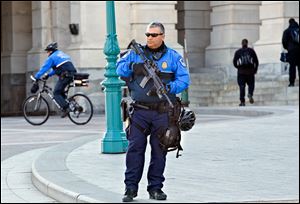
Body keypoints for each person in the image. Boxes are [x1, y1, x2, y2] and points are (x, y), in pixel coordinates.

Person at [116, 21, 190, 202]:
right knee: (135, 150)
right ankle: (130, 188)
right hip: (139, 112)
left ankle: (155, 188)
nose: (149, 38)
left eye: (153, 35)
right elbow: (118, 68)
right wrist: (135, 67)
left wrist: (168, 87)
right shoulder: (135, 53)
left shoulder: (173, 57)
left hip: (163, 113)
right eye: (147, 34)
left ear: (162, 36)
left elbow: (184, 80)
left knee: (159, 151)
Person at [33, 42, 77, 117]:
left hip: (65, 75)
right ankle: (72, 105)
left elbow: (44, 68)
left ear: (51, 51)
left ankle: (66, 108)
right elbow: (58, 68)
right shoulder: (61, 54)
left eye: (48, 51)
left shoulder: (52, 57)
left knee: (56, 93)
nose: (47, 53)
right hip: (71, 74)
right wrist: (48, 75)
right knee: (61, 92)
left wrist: (36, 77)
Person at [233, 39, 259, 106]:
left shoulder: (238, 52)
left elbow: (234, 62)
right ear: (247, 43)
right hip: (250, 71)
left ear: (241, 44)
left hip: (241, 72)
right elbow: (256, 61)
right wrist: (255, 70)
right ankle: (250, 93)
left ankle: (242, 102)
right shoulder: (251, 51)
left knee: (242, 86)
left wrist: (238, 68)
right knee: (251, 85)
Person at [282, 18, 300, 87]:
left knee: (292, 67)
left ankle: (292, 82)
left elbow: (284, 42)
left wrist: (288, 48)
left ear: (289, 23)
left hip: (292, 51)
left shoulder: (287, 31)